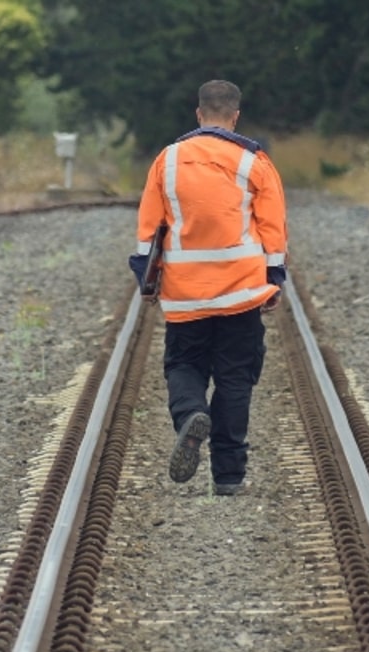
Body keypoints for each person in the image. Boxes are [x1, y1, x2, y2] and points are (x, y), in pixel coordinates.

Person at [129, 79, 288, 497]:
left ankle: (191, 415)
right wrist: (274, 280)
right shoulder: (254, 162)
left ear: (198, 114)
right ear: (235, 117)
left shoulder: (168, 160)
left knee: (184, 366)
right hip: (241, 291)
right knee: (236, 378)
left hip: (186, 294)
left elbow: (149, 228)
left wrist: (145, 279)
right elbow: (273, 229)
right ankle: (229, 475)